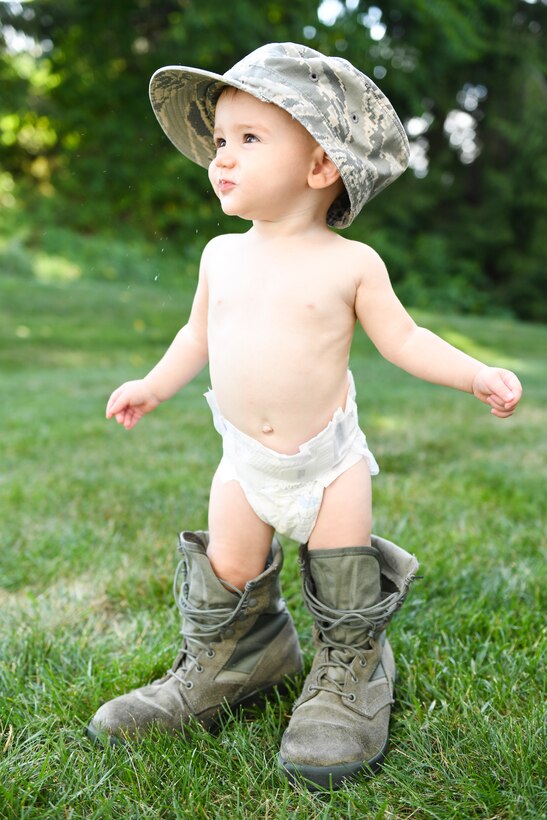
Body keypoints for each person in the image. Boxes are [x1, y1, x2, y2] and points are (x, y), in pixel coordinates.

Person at [87, 43, 522, 790]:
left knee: (340, 571)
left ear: (321, 167)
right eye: (220, 140)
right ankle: (236, 656)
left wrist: (476, 372)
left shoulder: (349, 265)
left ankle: (347, 672)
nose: (222, 156)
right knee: (228, 565)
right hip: (243, 461)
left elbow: (406, 340)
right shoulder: (221, 255)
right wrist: (153, 385)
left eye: (249, 139)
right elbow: (197, 335)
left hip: (326, 463)